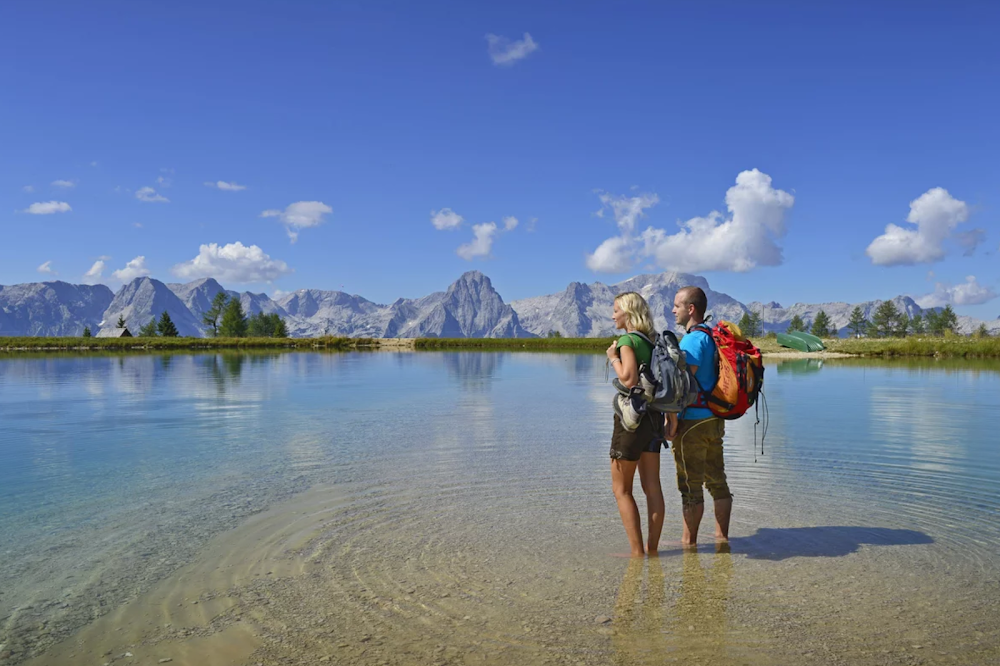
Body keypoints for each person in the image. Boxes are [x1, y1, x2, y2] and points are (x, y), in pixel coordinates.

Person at [606, 292, 678, 557]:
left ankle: (637, 555)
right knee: (652, 487)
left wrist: (613, 356)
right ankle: (653, 550)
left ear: (627, 312)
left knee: (621, 489)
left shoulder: (626, 340)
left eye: (615, 310)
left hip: (631, 421)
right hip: (654, 420)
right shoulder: (650, 342)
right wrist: (672, 419)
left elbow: (628, 379)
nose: (613, 315)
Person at [669, 286, 732, 546]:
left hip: (692, 422)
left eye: (677, 305)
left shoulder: (693, 340)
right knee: (717, 482)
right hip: (713, 418)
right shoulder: (710, 335)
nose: (673, 310)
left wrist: (670, 418)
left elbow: (682, 383)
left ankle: (689, 544)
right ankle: (721, 538)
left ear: (691, 309)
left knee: (690, 488)